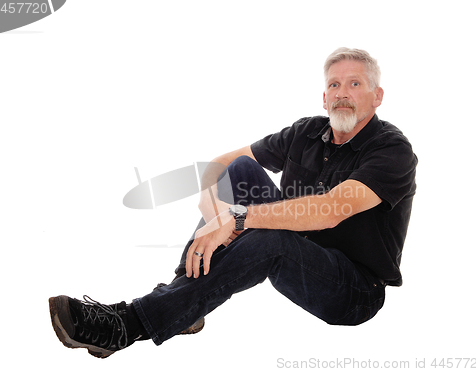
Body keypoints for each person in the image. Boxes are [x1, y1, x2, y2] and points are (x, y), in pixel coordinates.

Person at [49, 48, 417, 358]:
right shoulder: (306, 131)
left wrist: (237, 220)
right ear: (323, 97)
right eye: (334, 85)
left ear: (377, 95)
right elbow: (221, 165)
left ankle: (129, 325)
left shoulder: (392, 149)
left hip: (353, 290)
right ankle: (185, 306)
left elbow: (330, 209)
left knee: (268, 236)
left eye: (354, 84)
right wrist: (217, 216)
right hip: (296, 248)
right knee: (242, 169)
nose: (342, 93)